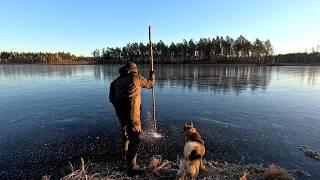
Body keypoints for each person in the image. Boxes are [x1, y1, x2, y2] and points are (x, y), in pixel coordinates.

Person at [109, 62, 155, 176]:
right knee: (135, 139)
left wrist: (118, 107)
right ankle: (132, 168)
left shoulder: (114, 82)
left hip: (120, 113)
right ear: (134, 70)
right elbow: (150, 84)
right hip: (133, 114)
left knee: (125, 133)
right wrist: (152, 75)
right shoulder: (137, 78)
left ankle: (125, 155)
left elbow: (111, 98)